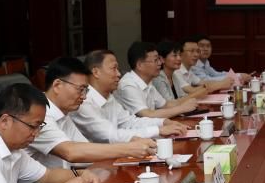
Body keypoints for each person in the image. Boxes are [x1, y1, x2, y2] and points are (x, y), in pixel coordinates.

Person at [28, 57, 156, 169]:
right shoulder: (38, 115)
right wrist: (128, 148)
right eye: (80, 89)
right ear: (57, 85)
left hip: (66, 180)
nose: (84, 97)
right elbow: (71, 152)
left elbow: (84, 148)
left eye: (86, 90)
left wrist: (129, 144)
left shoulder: (63, 113)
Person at [72, 49, 186, 144]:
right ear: (96, 72)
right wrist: (158, 130)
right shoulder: (84, 101)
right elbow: (111, 135)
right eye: (114, 68)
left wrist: (162, 122)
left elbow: (129, 122)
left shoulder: (109, 97)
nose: (118, 74)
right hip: (98, 161)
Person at [116, 41, 198, 119]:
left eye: (159, 59)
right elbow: (147, 114)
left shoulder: (148, 83)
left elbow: (166, 105)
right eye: (155, 60)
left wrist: (187, 103)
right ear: (140, 65)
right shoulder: (128, 85)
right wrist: (182, 108)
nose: (160, 63)